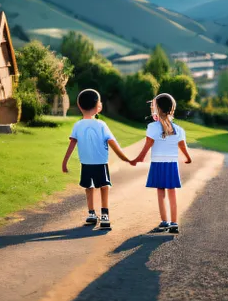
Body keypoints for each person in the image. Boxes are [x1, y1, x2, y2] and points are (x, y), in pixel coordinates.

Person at [62, 89, 133, 228]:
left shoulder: (78, 125)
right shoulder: (101, 125)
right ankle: (104, 215)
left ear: (79, 106)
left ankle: (92, 213)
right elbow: (113, 143)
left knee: (89, 188)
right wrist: (125, 158)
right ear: (98, 106)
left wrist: (64, 163)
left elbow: (71, 144)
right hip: (100, 163)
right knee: (104, 187)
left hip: (86, 164)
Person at [131, 93, 192, 234]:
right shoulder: (179, 130)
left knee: (161, 192)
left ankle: (165, 222)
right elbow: (183, 146)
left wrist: (139, 158)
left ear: (156, 109)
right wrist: (188, 158)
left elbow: (148, 145)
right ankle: (174, 224)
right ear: (172, 109)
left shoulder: (152, 127)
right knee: (172, 193)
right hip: (171, 165)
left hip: (158, 163)